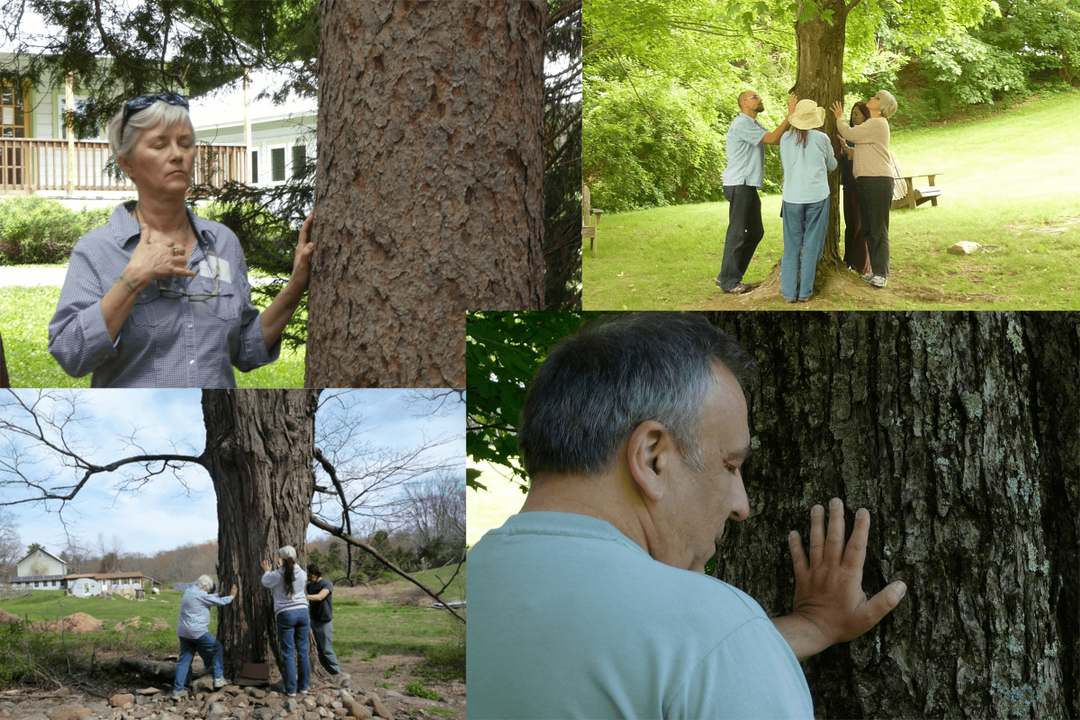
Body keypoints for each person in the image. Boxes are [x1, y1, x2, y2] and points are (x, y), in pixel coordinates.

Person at [469, 312, 907, 719]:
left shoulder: (474, 584)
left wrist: (808, 627)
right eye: (730, 466)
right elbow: (691, 650)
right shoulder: (713, 624)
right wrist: (738, 635)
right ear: (653, 458)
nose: (741, 506)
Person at [48, 93, 315, 387]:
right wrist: (132, 280)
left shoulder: (222, 243)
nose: (177, 154)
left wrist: (296, 285)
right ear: (127, 164)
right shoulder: (97, 250)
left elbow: (244, 349)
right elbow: (70, 355)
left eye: (185, 144)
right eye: (160, 145)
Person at [715, 91, 798, 294]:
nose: (760, 99)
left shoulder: (753, 124)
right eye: (755, 97)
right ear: (744, 103)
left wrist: (795, 123)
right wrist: (791, 115)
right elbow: (772, 138)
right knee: (737, 233)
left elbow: (777, 139)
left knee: (755, 232)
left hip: (747, 184)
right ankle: (729, 282)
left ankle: (727, 275)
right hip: (739, 183)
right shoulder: (742, 124)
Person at [832, 90, 899, 288]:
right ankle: (875, 271)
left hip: (877, 181)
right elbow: (863, 150)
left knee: (878, 228)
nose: (872, 98)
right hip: (866, 180)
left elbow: (850, 133)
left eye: (876, 98)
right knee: (868, 228)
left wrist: (839, 117)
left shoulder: (877, 123)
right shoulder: (872, 125)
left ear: (882, 105)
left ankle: (881, 274)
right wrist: (848, 149)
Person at [779, 99, 837, 303]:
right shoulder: (822, 138)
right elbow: (832, 165)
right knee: (812, 244)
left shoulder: (785, 138)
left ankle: (789, 292)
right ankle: (805, 292)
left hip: (792, 197)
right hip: (817, 196)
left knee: (792, 245)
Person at [173, 575, 235, 699]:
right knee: (216, 647)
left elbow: (207, 597)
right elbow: (221, 602)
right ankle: (218, 678)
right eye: (208, 589)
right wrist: (232, 596)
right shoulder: (202, 595)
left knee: (184, 661)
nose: (208, 591)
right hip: (197, 631)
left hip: (183, 631)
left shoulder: (188, 592)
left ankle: (178, 690)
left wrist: (218, 594)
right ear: (205, 586)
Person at [261, 545, 309, 697]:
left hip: (286, 614)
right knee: (303, 651)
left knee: (288, 653)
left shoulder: (277, 574)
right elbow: (291, 576)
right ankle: (303, 687)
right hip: (303, 612)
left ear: (281, 558)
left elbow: (266, 582)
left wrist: (267, 571)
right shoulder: (302, 573)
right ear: (294, 557)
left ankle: (291, 689)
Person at [838, 102, 872, 275]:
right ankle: (849, 260)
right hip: (848, 186)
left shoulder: (864, 136)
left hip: (861, 186)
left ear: (866, 116)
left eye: (857, 114)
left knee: (860, 225)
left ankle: (862, 265)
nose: (853, 117)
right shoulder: (849, 136)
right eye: (852, 114)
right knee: (850, 225)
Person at [305, 564, 341, 675]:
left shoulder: (326, 583)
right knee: (317, 648)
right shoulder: (309, 585)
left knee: (326, 649)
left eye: (309, 575)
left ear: (314, 574)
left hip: (324, 620)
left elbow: (320, 596)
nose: (307, 577)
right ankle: (325, 670)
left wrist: (303, 596)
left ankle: (336, 672)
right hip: (313, 619)